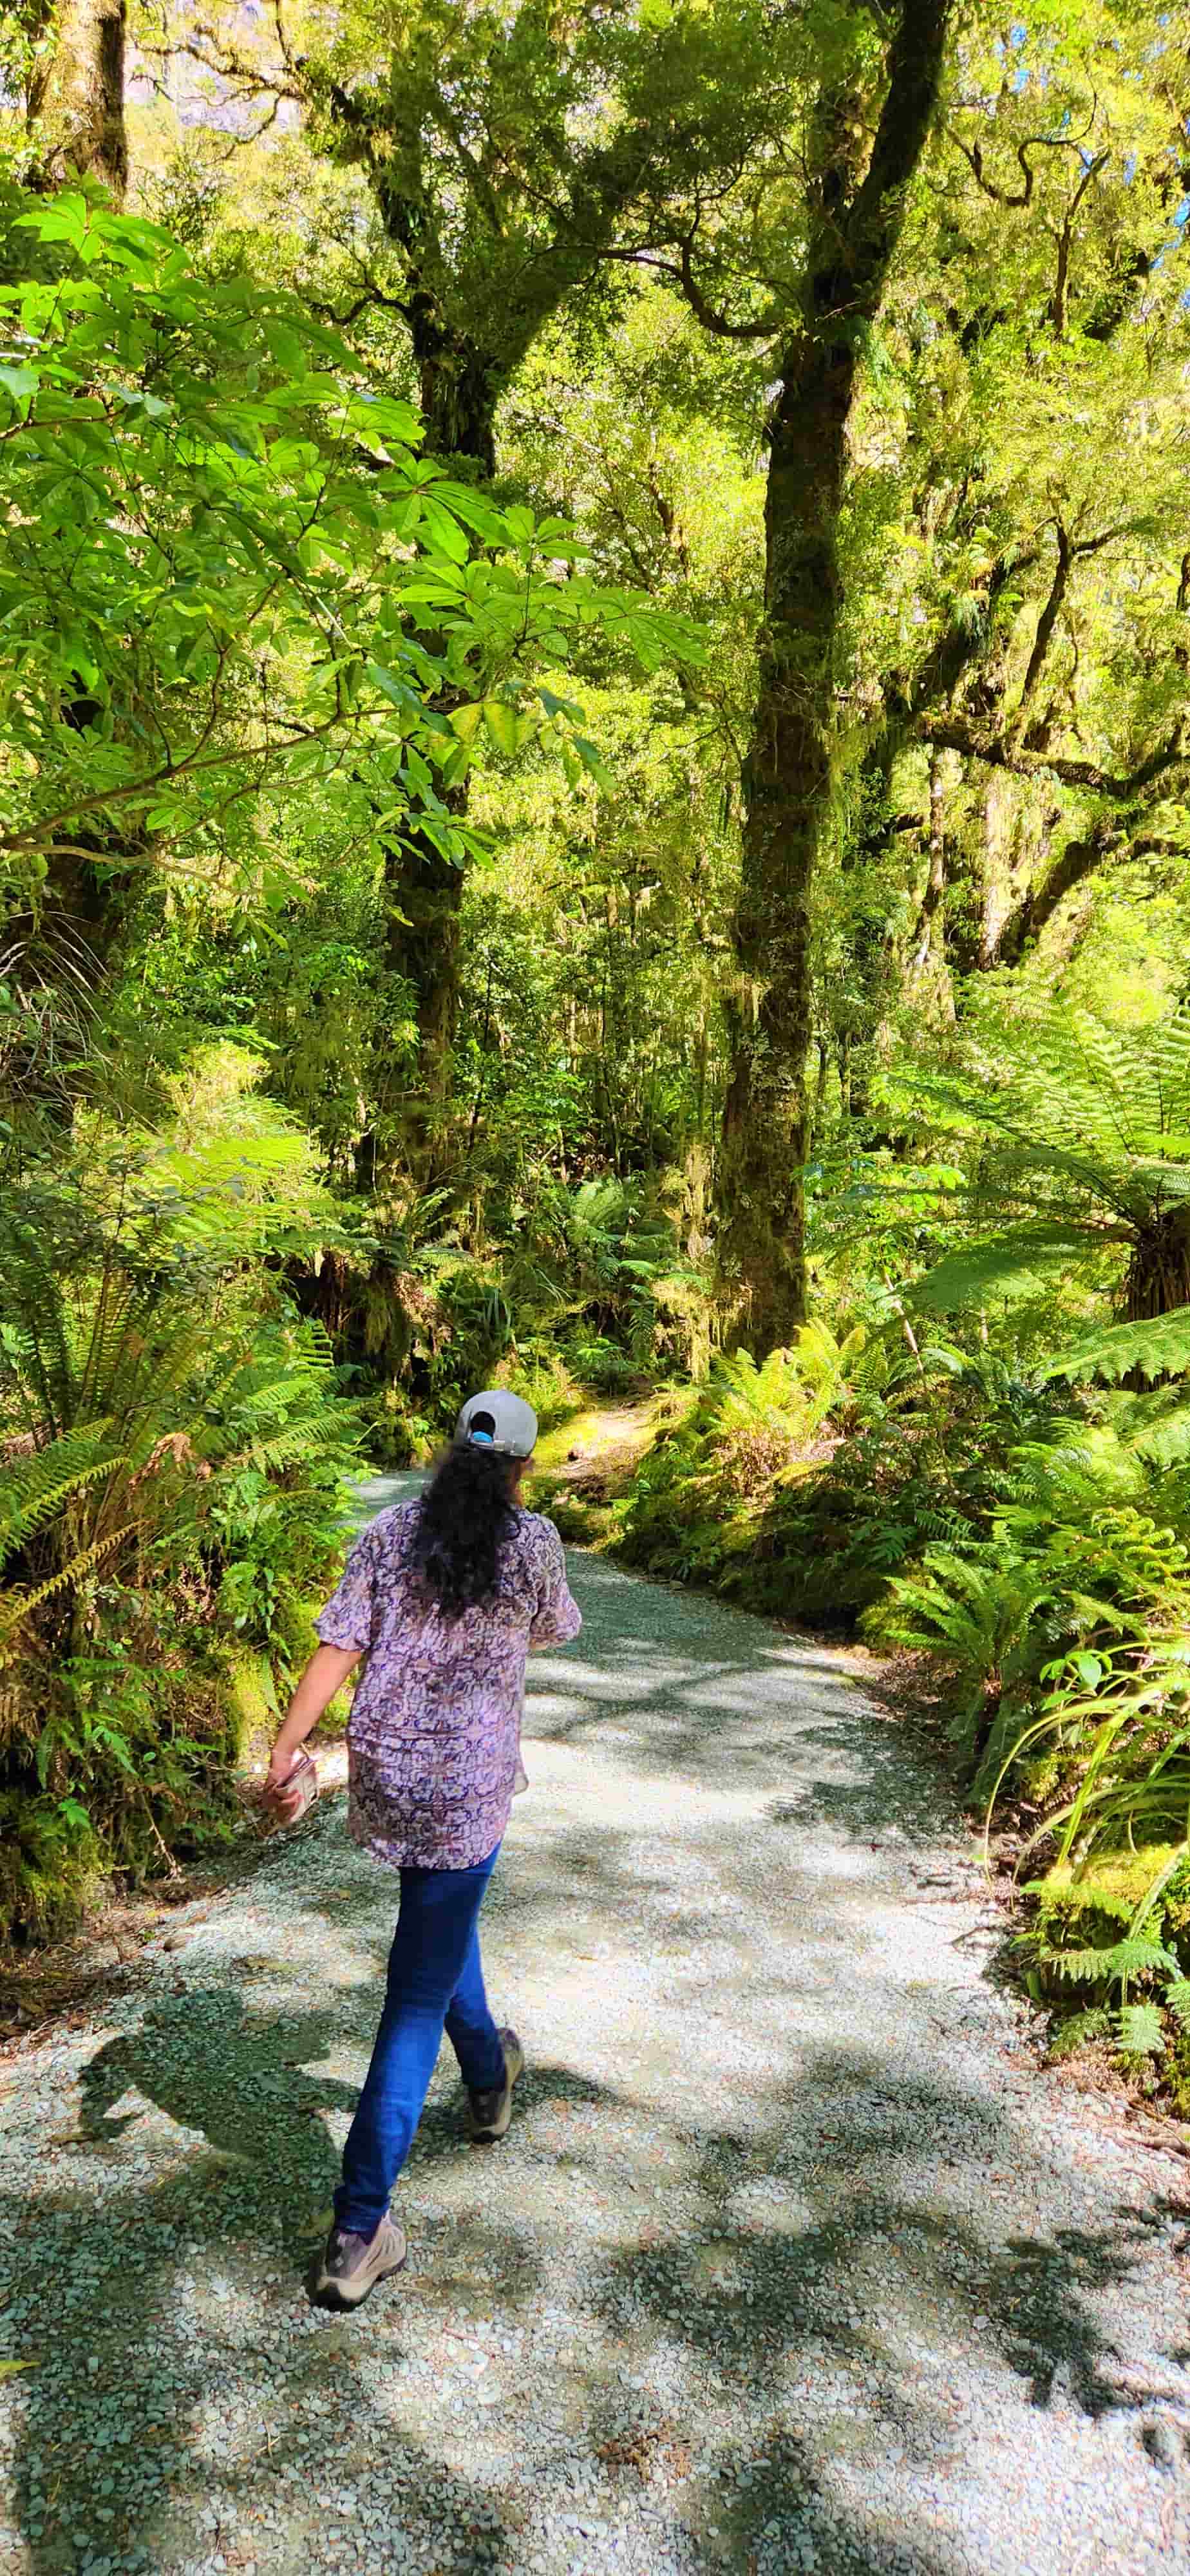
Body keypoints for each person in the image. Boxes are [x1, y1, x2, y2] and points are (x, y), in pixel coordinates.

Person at [265, 1387, 582, 2313]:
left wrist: (287, 1748)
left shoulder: (392, 1532)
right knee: (414, 1989)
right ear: (522, 1465)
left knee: (438, 1931)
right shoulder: (533, 1544)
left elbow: (337, 1644)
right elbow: (557, 1628)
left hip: (389, 1776)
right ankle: (361, 2229)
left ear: (449, 1452)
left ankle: (491, 2076)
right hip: (467, 1789)